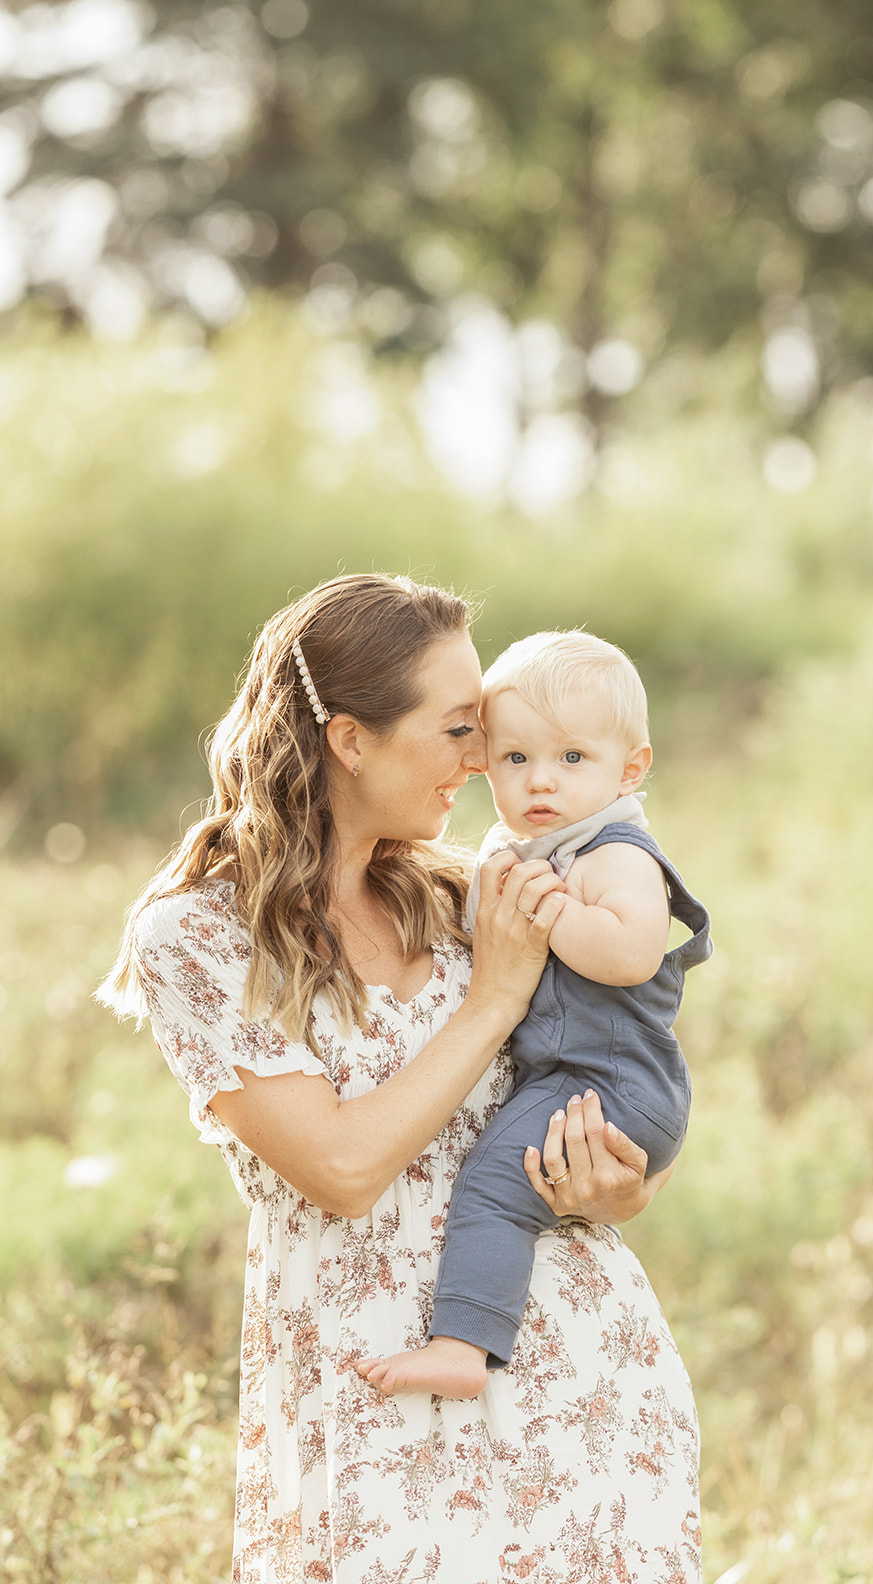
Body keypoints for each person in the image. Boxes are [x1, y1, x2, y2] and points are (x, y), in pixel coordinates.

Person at [99, 576, 703, 1583]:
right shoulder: (200, 935)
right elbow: (339, 1168)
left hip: (580, 1381)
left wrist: (622, 1185)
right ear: (350, 740)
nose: (483, 763)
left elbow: (616, 1078)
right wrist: (492, 1001)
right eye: (460, 729)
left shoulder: (472, 892)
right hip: (375, 1383)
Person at [357, 631, 711, 1402]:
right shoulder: (533, 852)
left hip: (610, 1085)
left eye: (571, 759)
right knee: (504, 1180)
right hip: (588, 1077)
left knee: (490, 1184)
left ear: (632, 768)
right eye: (516, 760)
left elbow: (629, 955)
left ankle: (462, 1345)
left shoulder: (613, 853)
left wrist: (545, 912)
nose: (539, 781)